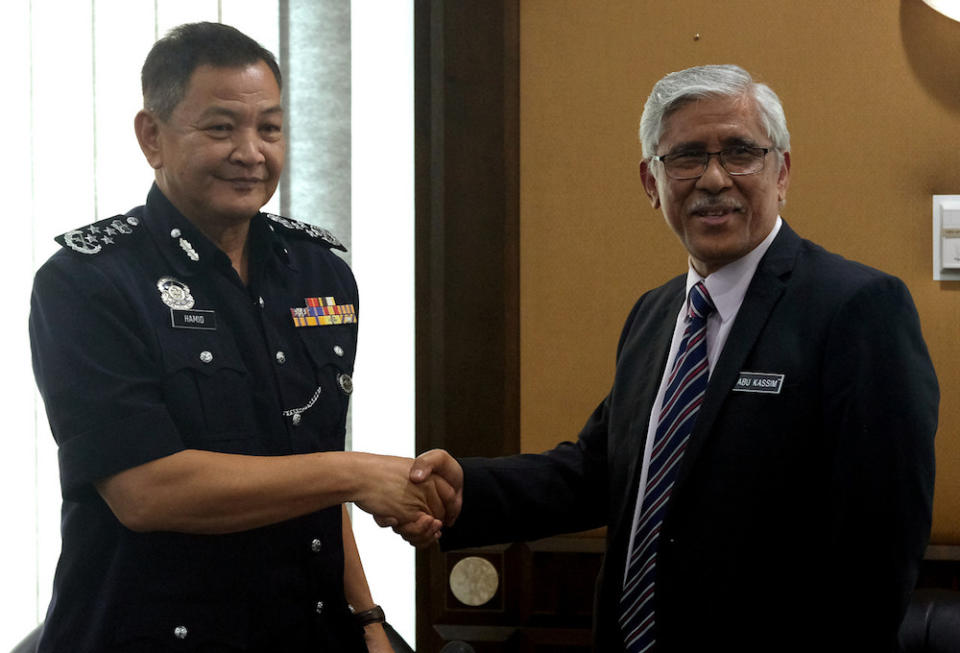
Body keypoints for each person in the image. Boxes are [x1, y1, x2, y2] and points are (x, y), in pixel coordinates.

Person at [399, 64, 938, 652]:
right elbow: (598, 472)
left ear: (781, 172)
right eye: (685, 157)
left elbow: (880, 547)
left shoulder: (857, 308)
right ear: (651, 182)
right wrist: (465, 489)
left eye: (740, 152)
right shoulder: (655, 316)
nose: (713, 178)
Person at [29, 22, 445, 653]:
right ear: (152, 137)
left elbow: (313, 468)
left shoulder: (319, 272)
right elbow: (146, 492)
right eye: (221, 128)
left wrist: (367, 619)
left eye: (270, 129)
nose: (251, 152)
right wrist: (355, 473)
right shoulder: (88, 282)